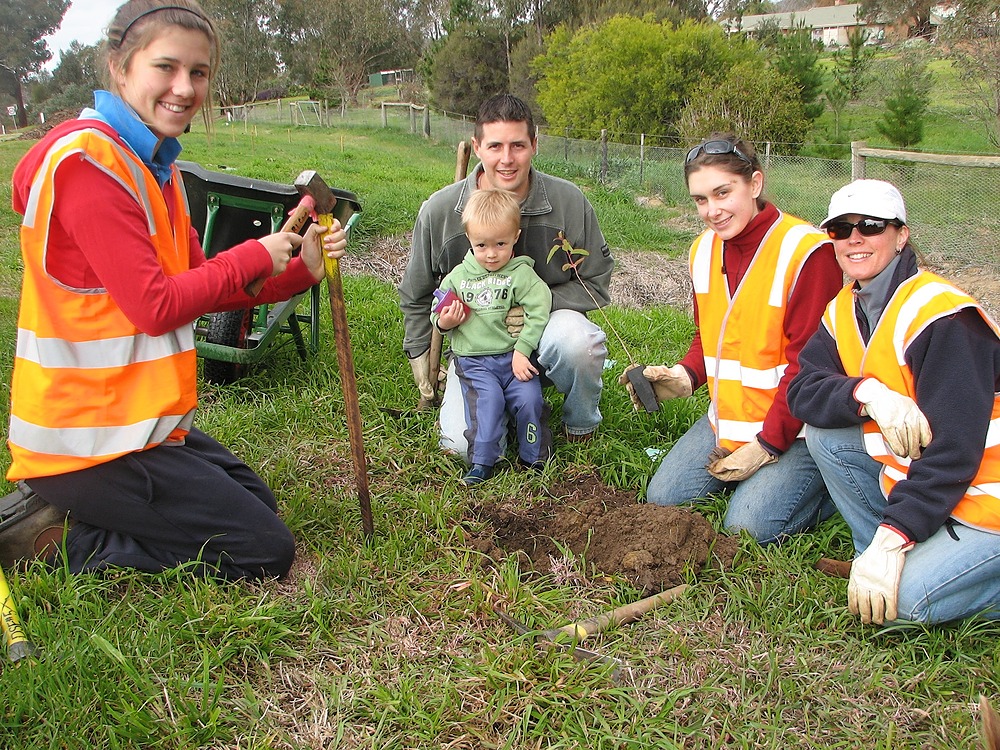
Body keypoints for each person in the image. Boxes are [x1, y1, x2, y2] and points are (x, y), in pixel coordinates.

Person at [0, 0, 347, 579]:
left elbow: (203, 284)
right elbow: (155, 306)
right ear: (121, 67)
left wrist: (298, 272)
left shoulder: (156, 169)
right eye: (166, 67)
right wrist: (251, 254)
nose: (184, 88)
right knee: (264, 550)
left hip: (136, 425)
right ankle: (58, 545)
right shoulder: (89, 166)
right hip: (82, 441)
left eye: (199, 72)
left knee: (257, 505)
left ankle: (84, 515)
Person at [787, 179, 1000, 624]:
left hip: (987, 498)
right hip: (940, 489)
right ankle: (885, 559)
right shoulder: (844, 310)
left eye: (870, 226)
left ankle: (895, 555)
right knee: (828, 434)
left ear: (901, 235)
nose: (854, 238)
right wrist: (866, 393)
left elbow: (955, 452)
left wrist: (894, 536)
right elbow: (802, 390)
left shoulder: (942, 316)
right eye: (841, 229)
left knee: (903, 608)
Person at [620, 134, 843, 543]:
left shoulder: (807, 252)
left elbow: (810, 366)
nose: (712, 211)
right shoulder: (703, 250)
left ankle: (835, 483)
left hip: (798, 429)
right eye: (700, 199)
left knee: (748, 528)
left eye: (723, 192)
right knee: (664, 497)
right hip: (729, 417)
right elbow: (712, 336)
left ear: (754, 184)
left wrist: (767, 445)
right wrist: (685, 376)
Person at [399, 94, 613, 455]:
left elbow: (596, 283)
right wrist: (421, 356)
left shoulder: (568, 202)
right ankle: (501, 406)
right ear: (477, 147)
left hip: (543, 334)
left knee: (579, 342)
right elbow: (416, 294)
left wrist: (533, 307)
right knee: (458, 446)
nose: (507, 159)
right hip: (475, 351)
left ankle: (579, 422)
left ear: (535, 145)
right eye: (495, 145)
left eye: (518, 145)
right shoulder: (440, 211)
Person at [431, 189, 553, 485]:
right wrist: (445, 321)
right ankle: (482, 462)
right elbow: (437, 311)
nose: (491, 253)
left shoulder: (521, 274)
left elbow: (540, 307)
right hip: (475, 362)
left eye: (501, 243)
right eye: (481, 245)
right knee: (488, 403)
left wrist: (523, 349)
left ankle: (533, 457)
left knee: (530, 400)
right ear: (470, 240)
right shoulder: (458, 278)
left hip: (514, 360)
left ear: (515, 236)